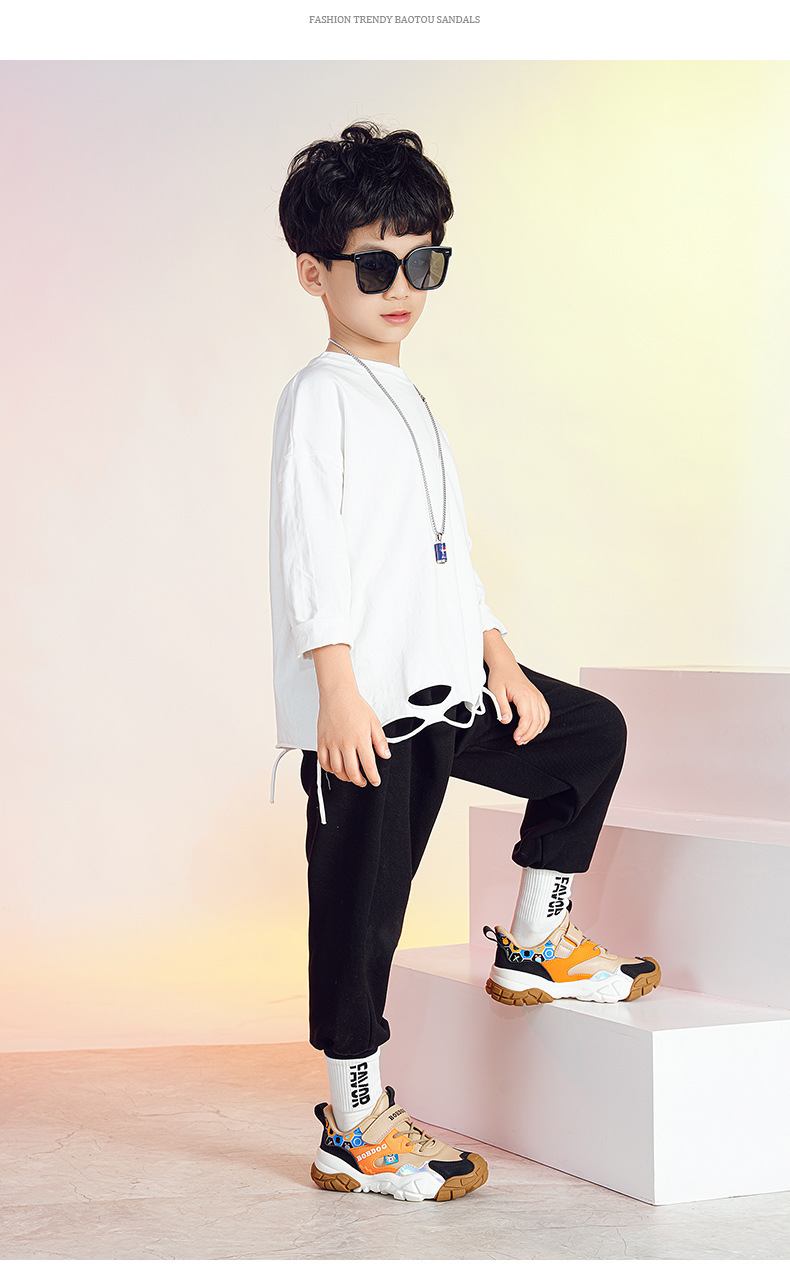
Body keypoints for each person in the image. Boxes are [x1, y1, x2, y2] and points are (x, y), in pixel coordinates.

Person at [269, 121, 661, 1204]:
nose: (402, 288)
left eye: (423, 262)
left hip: (445, 691)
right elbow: (312, 550)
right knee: (363, 909)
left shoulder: (410, 396)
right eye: (375, 266)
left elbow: (447, 552)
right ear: (314, 272)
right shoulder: (321, 393)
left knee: (588, 734)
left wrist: (502, 658)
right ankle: (354, 1126)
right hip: (368, 712)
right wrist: (335, 689)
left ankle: (535, 941)